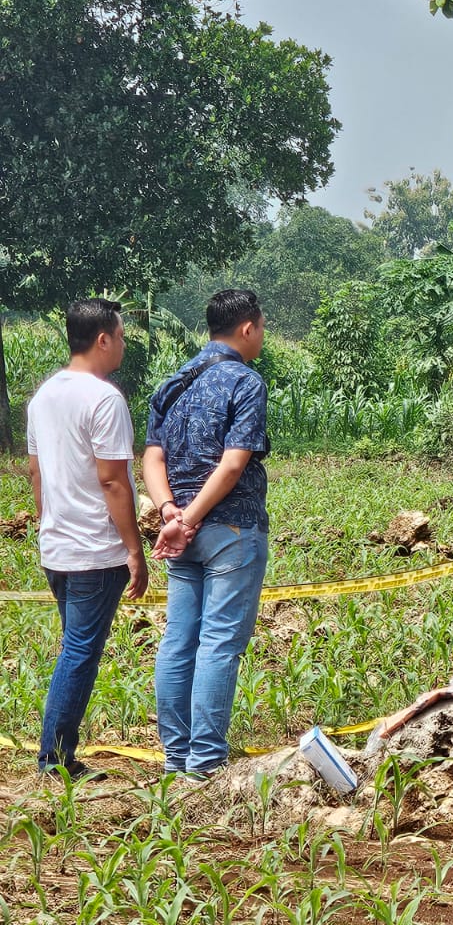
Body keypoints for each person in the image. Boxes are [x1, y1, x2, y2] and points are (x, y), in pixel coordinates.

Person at [144, 289, 271, 779]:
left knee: (178, 642)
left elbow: (151, 457)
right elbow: (233, 463)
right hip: (231, 530)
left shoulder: (173, 383)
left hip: (181, 532)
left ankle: (177, 759)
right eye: (262, 327)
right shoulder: (246, 382)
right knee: (219, 643)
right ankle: (205, 763)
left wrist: (170, 513)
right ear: (247, 328)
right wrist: (190, 518)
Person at [25, 299, 149, 780]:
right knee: (79, 653)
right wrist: (134, 550)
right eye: (121, 337)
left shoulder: (43, 397)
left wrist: (49, 525)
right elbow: (113, 481)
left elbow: (36, 472)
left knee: (74, 648)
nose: (122, 345)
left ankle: (57, 756)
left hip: (57, 548)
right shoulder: (104, 399)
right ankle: (54, 760)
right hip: (95, 552)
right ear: (102, 339)